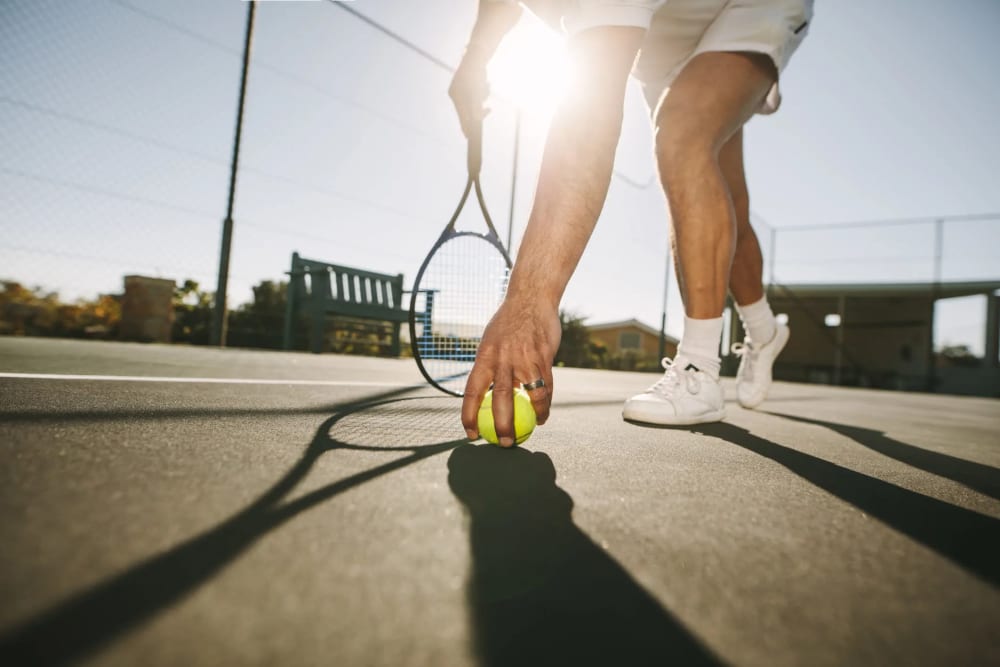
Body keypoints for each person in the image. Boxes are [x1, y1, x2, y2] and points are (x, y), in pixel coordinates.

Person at [452, 0, 812, 446]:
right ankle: (764, 330)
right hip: (662, 46)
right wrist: (475, 56)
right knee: (725, 202)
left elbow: (587, 126)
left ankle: (700, 367)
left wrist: (530, 299)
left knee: (681, 137)